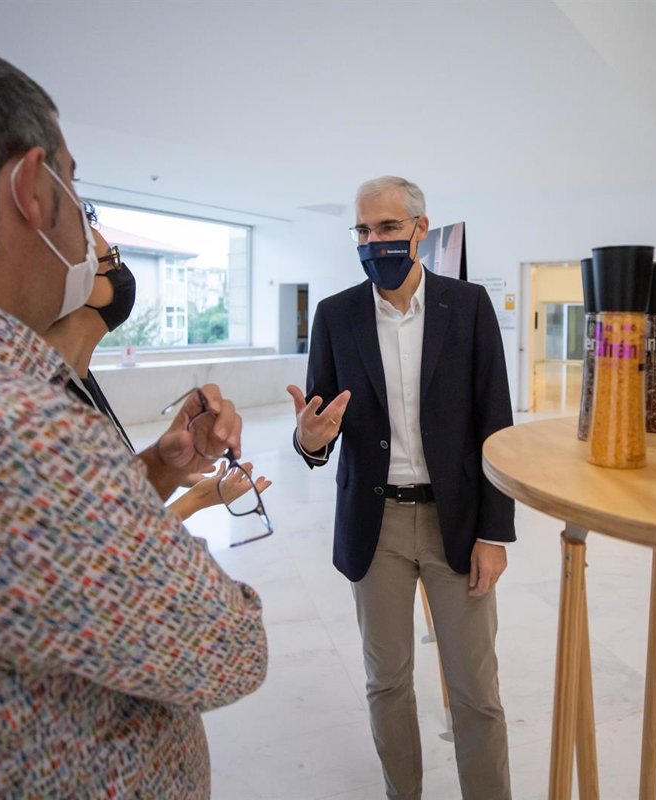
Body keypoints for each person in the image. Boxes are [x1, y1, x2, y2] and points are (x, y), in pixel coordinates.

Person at [0, 37, 266, 797]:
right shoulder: (15, 428)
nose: (91, 236)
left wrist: (157, 467)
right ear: (32, 189)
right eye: (78, 194)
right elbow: (229, 649)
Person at [287, 176, 514, 799]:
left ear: (420, 229)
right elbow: (318, 431)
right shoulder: (336, 315)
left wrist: (495, 532)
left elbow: (495, 423)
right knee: (386, 682)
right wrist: (308, 439)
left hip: (456, 522)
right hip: (376, 525)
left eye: (387, 227)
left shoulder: (467, 306)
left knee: (475, 690)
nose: (373, 241)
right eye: (362, 230)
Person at [40, 214, 272, 520]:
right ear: (73, 286)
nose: (122, 272)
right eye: (111, 261)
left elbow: (112, 494)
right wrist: (198, 497)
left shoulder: (78, 378)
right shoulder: (41, 401)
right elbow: (95, 531)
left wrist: (167, 464)